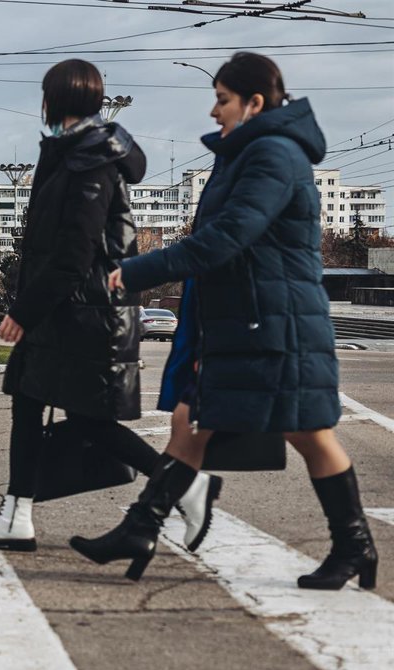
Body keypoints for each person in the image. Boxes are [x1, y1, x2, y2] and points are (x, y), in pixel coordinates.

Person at [70, 52, 377, 590]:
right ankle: (140, 528)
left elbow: (224, 239)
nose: (214, 112)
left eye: (222, 99)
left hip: (278, 325)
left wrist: (134, 271)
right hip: (248, 322)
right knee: (191, 421)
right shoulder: (248, 154)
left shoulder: (275, 154)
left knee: (309, 433)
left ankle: (355, 546)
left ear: (254, 102)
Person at [0, 59, 219, 552]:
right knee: (30, 405)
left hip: (87, 313)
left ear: (56, 100)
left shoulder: (90, 159)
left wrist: (24, 311)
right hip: (71, 311)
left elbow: (75, 253)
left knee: (87, 420)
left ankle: (184, 486)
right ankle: (17, 516)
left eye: (45, 94)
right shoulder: (70, 152)